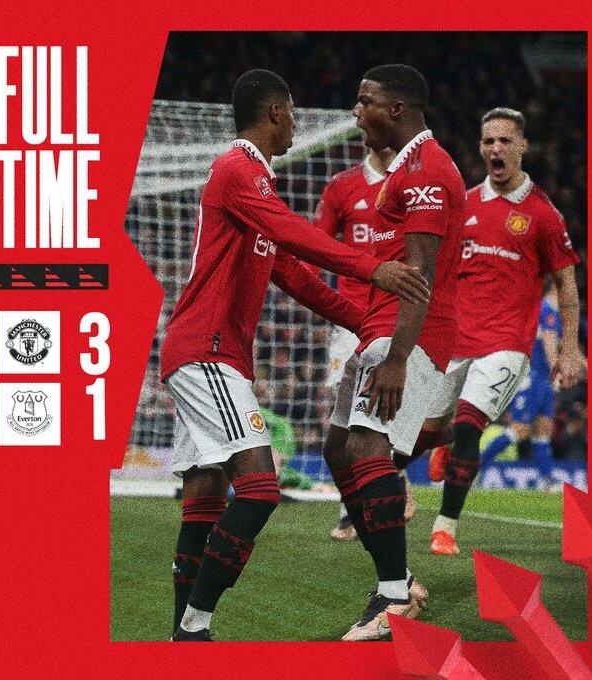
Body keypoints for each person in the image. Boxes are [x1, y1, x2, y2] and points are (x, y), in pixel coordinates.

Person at [159, 68, 431, 641]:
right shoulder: (238, 169)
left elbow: (295, 275)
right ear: (277, 114)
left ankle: (183, 640)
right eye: (292, 115)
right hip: (207, 351)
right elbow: (296, 235)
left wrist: (363, 321)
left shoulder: (253, 186)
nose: (295, 127)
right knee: (259, 487)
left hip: (208, 352)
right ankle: (194, 627)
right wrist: (373, 269)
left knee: (205, 492)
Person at [322, 64, 466, 641]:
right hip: (376, 330)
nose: (357, 112)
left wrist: (399, 358)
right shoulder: (405, 168)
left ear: (398, 109)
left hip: (411, 335)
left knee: (364, 445)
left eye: (366, 101)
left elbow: (421, 273)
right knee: (338, 449)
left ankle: (393, 595)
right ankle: (399, 579)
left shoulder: (427, 171)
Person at [425, 107, 584, 557]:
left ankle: (445, 528)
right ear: (481, 148)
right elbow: (441, 272)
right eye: (488, 141)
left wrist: (569, 349)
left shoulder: (543, 214)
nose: (496, 148)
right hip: (456, 340)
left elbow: (566, 286)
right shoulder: (464, 205)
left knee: (471, 425)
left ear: (522, 147)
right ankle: (441, 441)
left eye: (505, 141)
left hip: (507, 343)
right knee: (429, 429)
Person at [309, 148, 419, 541]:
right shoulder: (342, 186)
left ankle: (386, 480)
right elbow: (316, 243)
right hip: (349, 316)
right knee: (341, 411)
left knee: (376, 409)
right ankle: (355, 505)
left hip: (393, 314)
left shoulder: (415, 184)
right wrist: (306, 285)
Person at [480, 283, 565, 490]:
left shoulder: (551, 311)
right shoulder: (547, 309)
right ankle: (472, 468)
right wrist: (557, 371)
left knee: (543, 429)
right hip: (533, 377)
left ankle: (547, 480)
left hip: (543, 380)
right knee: (520, 430)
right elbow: (548, 344)